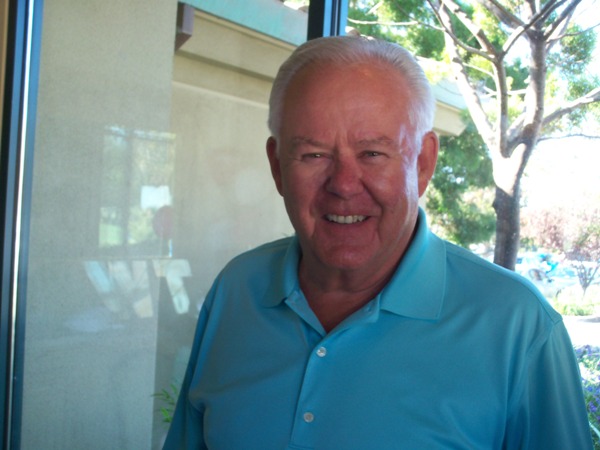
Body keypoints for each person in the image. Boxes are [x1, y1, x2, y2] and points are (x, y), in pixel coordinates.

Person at [163, 36, 593, 449]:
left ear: (423, 163)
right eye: (314, 155)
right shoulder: (237, 289)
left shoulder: (517, 326)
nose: (343, 184)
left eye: (372, 153)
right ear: (277, 167)